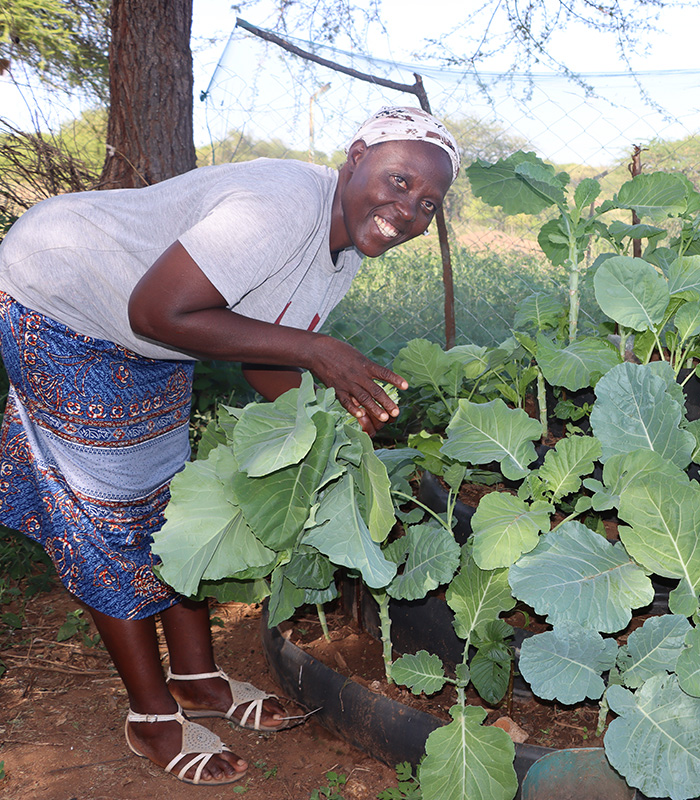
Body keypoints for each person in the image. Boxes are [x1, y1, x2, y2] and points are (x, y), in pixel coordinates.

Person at [0, 106, 459, 785]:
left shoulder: (343, 254)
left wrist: (331, 416)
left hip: (153, 329)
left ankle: (198, 680)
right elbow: (158, 310)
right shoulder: (280, 205)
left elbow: (261, 358)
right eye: (398, 181)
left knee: (172, 507)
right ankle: (151, 716)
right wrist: (319, 351)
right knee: (105, 518)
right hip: (64, 299)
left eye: (427, 204)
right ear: (355, 155)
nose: (409, 211)